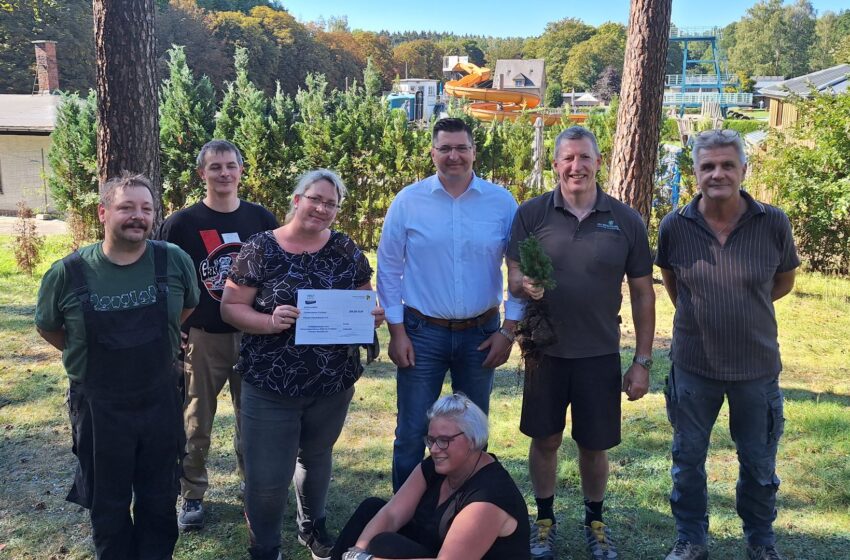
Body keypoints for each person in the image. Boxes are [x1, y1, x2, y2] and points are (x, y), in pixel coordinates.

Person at [506, 126, 656, 560]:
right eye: (568, 158)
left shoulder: (625, 220)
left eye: (584, 158)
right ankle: (545, 520)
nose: (576, 166)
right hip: (545, 352)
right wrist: (524, 284)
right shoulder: (531, 214)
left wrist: (641, 360)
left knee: (594, 445)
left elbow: (644, 292)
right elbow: (513, 275)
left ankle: (595, 521)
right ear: (555, 165)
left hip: (600, 353)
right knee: (546, 439)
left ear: (598, 162)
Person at [220, 169, 385, 560]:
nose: (322, 208)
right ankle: (265, 547)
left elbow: (365, 298)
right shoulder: (261, 247)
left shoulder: (346, 249)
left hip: (332, 381)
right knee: (267, 477)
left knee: (316, 456)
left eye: (331, 203)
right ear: (297, 200)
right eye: (316, 199)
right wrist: (268, 321)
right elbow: (230, 308)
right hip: (270, 382)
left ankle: (312, 527)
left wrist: (370, 315)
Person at [35, 172, 199, 559]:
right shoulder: (68, 272)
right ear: (103, 212)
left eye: (146, 208)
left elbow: (186, 308)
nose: (137, 216)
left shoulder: (173, 260)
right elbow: (49, 327)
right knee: (108, 506)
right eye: (126, 207)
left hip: (160, 401)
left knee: (159, 502)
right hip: (99, 408)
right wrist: (86, 356)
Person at [656, 130, 799, 560]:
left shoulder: (773, 222)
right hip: (694, 366)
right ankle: (691, 539)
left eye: (727, 165)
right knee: (687, 461)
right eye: (708, 166)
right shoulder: (675, 226)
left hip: (755, 367)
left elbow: (783, 281)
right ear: (696, 172)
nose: (718, 173)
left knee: (758, 464)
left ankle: (760, 540)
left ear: (743, 170)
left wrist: (742, 304)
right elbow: (673, 285)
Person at [377, 117, 524, 492]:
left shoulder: (501, 202)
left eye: (461, 147)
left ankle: (464, 510)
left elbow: (518, 269)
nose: (453, 156)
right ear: (432, 153)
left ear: (474, 151)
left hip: (482, 333)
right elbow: (389, 269)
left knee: (472, 432)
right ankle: (407, 518)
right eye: (445, 148)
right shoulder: (408, 201)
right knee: (411, 432)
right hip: (421, 333)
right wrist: (396, 331)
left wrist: (509, 331)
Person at [154, 139, 278, 530]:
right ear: (201, 174)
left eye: (231, 166)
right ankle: (191, 495)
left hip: (255, 336)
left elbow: (278, 273)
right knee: (196, 419)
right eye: (215, 167)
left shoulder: (261, 219)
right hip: (204, 337)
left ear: (242, 171)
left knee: (255, 419)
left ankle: (253, 486)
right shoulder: (181, 223)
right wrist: (176, 328)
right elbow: (164, 281)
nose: (224, 173)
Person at [333, 393, 530, 560]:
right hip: (434, 549)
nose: (435, 449)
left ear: (472, 440)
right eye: (431, 440)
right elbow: (392, 514)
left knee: (385, 545)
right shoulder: (437, 465)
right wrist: (357, 552)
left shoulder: (489, 497)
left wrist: (369, 559)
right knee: (372, 509)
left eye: (444, 440)